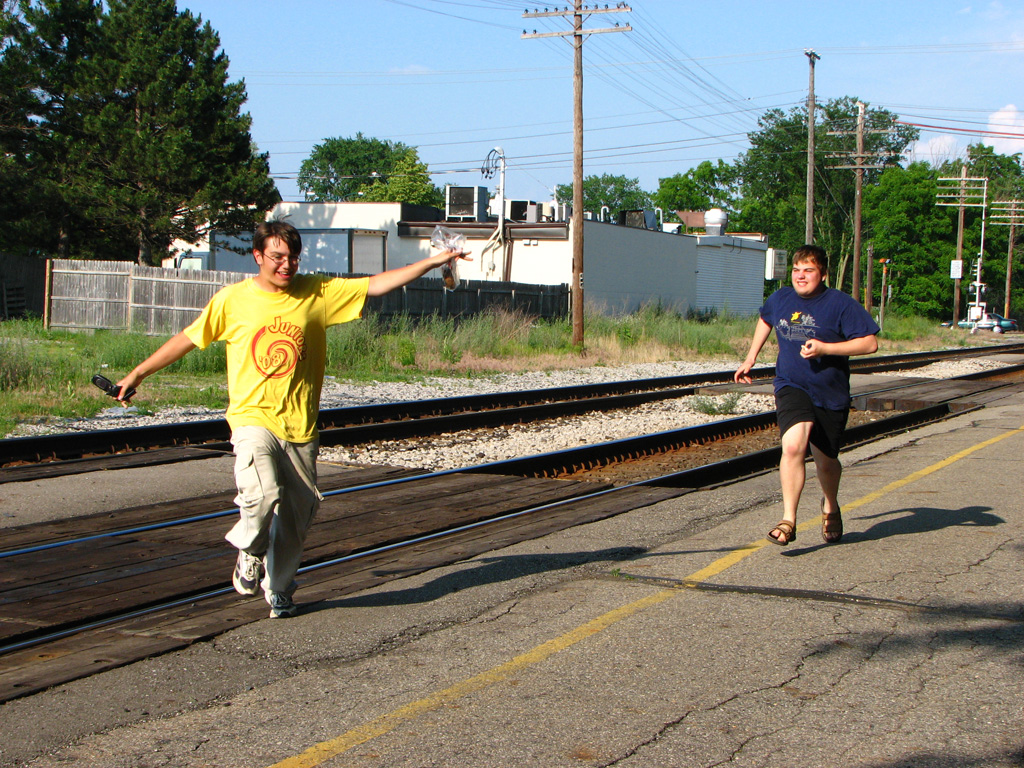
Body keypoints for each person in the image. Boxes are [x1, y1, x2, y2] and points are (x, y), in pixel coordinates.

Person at [115, 220, 470, 617]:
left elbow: (378, 283)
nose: (286, 265)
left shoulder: (316, 292)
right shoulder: (232, 300)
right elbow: (187, 338)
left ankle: (280, 588)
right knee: (261, 494)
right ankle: (250, 549)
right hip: (252, 418)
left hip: (300, 426)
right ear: (258, 256)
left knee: (298, 517)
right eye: (277, 257)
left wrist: (437, 259)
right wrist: (137, 374)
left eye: (293, 257)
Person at [734, 244, 879, 546]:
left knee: (826, 461)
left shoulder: (840, 304)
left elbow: (869, 344)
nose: (801, 276)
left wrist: (826, 348)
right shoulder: (781, 298)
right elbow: (765, 318)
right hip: (792, 384)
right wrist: (750, 358)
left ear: (822, 274)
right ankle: (789, 520)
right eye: (797, 270)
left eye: (808, 270)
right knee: (793, 445)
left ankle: (831, 506)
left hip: (830, 391)